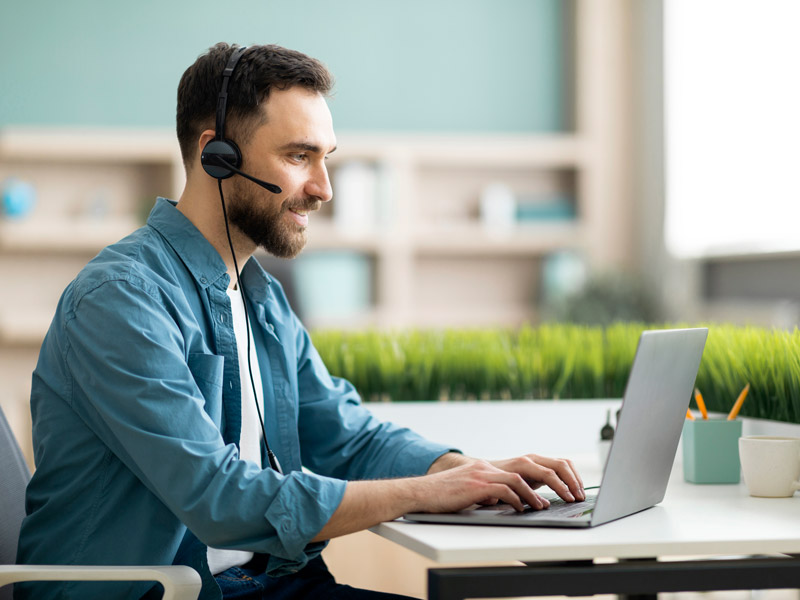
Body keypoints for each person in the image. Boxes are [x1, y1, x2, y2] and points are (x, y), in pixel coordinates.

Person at [15, 43, 585, 600]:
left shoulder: (260, 297)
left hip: (274, 584)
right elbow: (219, 499)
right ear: (218, 155)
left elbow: (344, 435)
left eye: (325, 159)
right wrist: (429, 491)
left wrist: (472, 474)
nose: (323, 189)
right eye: (298, 157)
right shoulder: (121, 300)